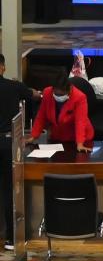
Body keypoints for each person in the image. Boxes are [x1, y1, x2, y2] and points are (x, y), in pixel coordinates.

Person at [0, 54, 36, 248]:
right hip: (7, 143)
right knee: (8, 191)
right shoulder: (14, 87)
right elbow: (34, 95)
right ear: (3, 67)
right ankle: (11, 238)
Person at [30, 72, 93, 153]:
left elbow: (80, 121)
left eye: (62, 94)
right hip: (58, 137)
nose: (59, 97)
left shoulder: (79, 97)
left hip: (79, 138)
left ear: (70, 89)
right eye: (56, 94)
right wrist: (33, 136)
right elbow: (41, 116)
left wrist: (80, 143)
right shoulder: (47, 92)